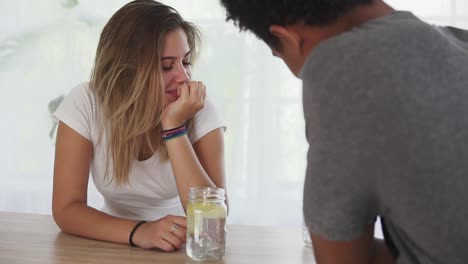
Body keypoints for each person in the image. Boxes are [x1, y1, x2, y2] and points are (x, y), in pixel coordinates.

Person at [219, 0, 468, 263]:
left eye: (279, 55)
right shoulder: (458, 41)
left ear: (288, 38)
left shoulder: (340, 66)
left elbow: (340, 259)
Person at [52, 0, 227, 252]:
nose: (184, 77)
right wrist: (140, 231)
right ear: (127, 71)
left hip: (185, 246)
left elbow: (213, 220)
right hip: (112, 241)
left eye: (185, 62)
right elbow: (66, 209)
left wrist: (174, 128)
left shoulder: (199, 109)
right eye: (166, 66)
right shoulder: (85, 103)